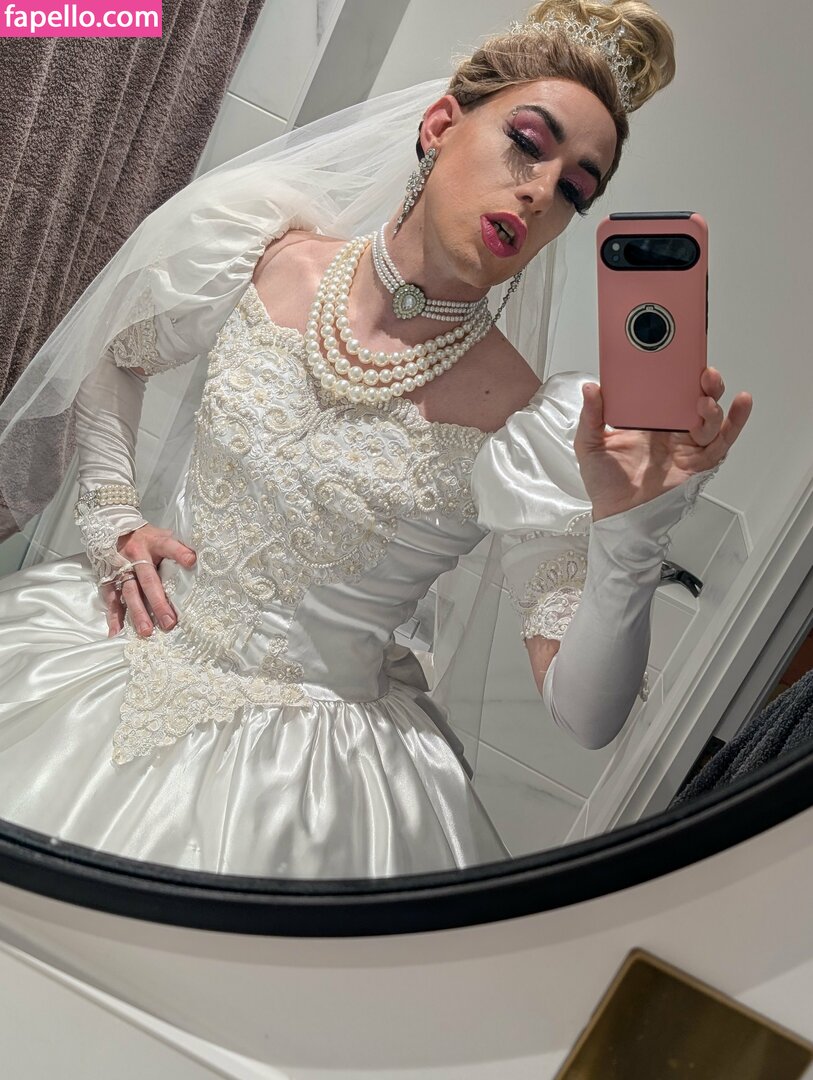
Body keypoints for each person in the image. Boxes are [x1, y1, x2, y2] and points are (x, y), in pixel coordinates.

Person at [0, 0, 751, 878]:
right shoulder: (257, 248)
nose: (541, 190)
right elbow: (115, 355)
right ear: (440, 125)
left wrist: (631, 533)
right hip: (97, 667)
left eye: (575, 190)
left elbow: (584, 717)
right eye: (527, 142)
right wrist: (111, 516)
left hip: (307, 791)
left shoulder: (528, 422)